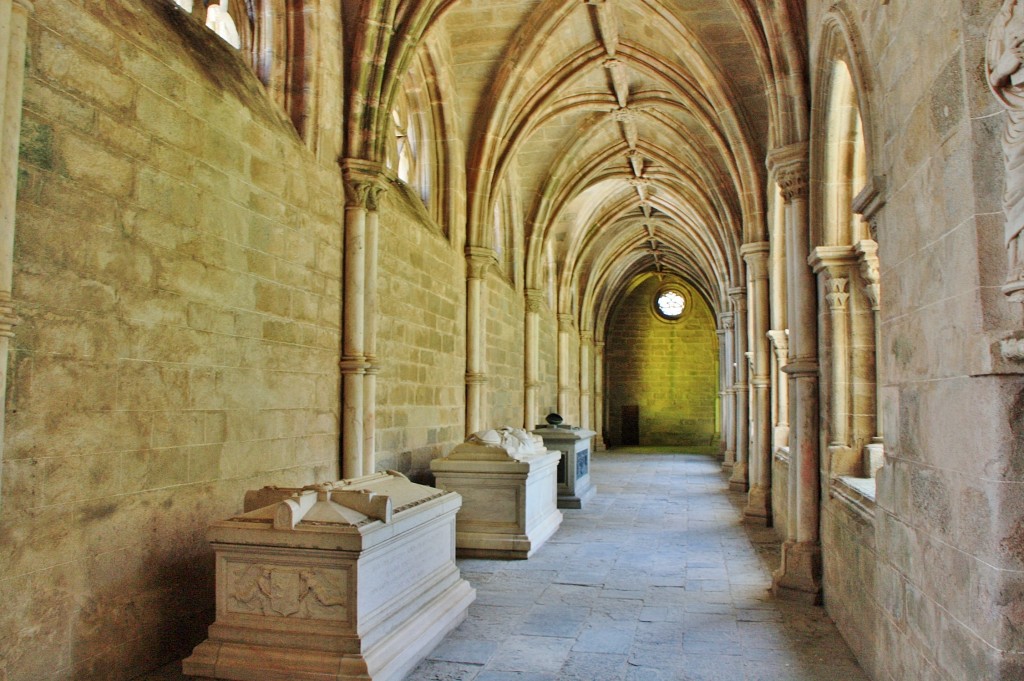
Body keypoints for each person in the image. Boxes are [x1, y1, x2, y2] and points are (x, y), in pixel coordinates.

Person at [988, 0, 1024, 301]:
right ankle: (1020, 267)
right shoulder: (1006, 15)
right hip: (1020, 111)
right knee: (1018, 190)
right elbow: (996, 76)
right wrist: (1003, 68)